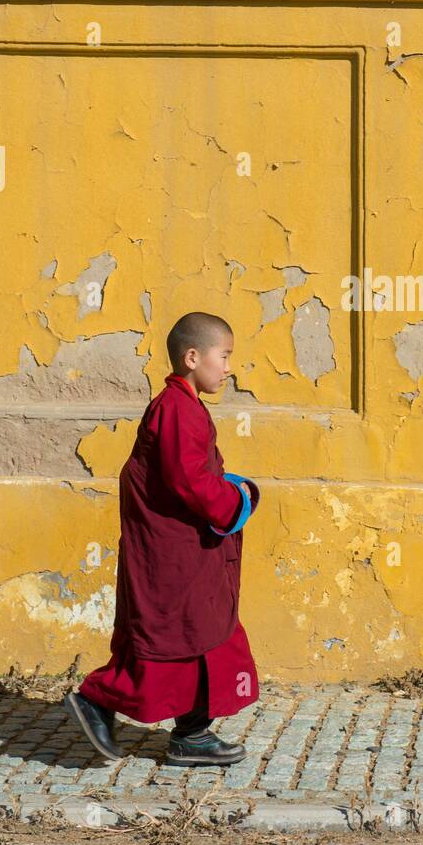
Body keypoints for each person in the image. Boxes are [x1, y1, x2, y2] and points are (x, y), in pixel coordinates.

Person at [64, 312, 260, 766]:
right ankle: (98, 700)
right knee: (172, 641)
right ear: (193, 357)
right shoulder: (175, 409)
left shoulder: (186, 406)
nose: (229, 367)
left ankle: (192, 734)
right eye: (224, 356)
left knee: (208, 636)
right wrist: (235, 501)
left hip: (192, 554)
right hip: (173, 557)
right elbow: (189, 481)